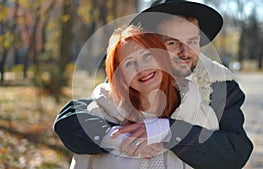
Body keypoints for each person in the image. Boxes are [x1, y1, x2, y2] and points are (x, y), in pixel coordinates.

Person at [54, 0, 253, 168]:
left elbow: (235, 153)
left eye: (192, 41)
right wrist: (118, 138)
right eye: (173, 43)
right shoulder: (136, 77)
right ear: (153, 45)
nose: (185, 53)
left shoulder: (219, 85)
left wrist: (169, 131)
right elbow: (70, 120)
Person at [70, 25, 220, 169]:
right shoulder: (99, 115)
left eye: (147, 56)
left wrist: (165, 130)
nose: (141, 68)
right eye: (129, 63)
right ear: (120, 76)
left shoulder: (200, 115)